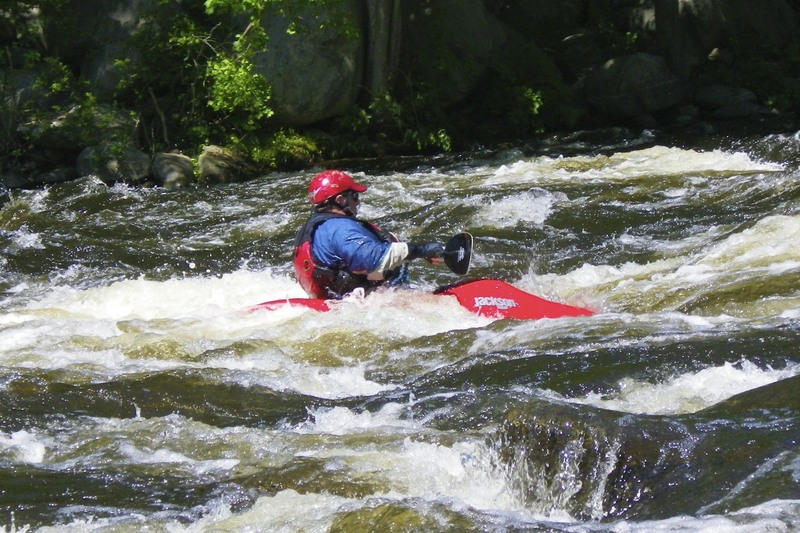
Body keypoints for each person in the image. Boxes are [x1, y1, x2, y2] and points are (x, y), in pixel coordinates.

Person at [293, 169, 445, 299]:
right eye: (354, 197)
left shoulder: (316, 227)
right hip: (362, 304)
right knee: (444, 305)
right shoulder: (340, 228)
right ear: (340, 200)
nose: (357, 203)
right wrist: (422, 250)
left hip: (335, 300)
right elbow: (374, 260)